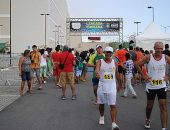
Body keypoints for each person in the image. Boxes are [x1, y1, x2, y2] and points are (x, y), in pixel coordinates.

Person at [135, 42, 170, 130]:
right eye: (158, 48)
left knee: (163, 106)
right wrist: (144, 76)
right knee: (149, 106)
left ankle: (164, 128)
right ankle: (147, 119)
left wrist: (168, 76)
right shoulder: (148, 57)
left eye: (161, 48)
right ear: (154, 48)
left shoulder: (165, 57)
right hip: (151, 86)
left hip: (161, 85)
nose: (160, 50)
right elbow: (137, 64)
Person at [95, 46, 121, 130]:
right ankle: (102, 116)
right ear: (104, 53)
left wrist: (120, 83)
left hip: (112, 86)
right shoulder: (100, 61)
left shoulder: (114, 62)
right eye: (107, 52)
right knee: (101, 104)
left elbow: (116, 73)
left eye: (110, 52)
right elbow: (97, 69)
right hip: (102, 85)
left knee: (113, 104)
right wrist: (97, 73)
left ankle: (113, 123)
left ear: (112, 53)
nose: (108, 54)